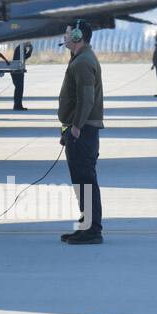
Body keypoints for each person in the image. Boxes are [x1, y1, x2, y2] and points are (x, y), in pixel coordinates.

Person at [58, 22, 104, 245]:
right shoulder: (81, 59)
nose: (64, 37)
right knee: (81, 180)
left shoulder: (83, 62)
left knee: (85, 180)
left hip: (83, 131)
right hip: (80, 130)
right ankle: (86, 225)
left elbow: (86, 100)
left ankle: (93, 230)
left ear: (77, 36)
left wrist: (75, 127)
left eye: (67, 34)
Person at [10, 42, 33, 110]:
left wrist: (30, 50)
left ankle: (18, 105)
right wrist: (30, 50)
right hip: (17, 71)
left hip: (18, 71)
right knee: (19, 89)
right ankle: (17, 105)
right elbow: (22, 58)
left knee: (19, 89)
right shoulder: (20, 48)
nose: (30, 43)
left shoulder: (21, 48)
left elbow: (24, 57)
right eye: (29, 42)